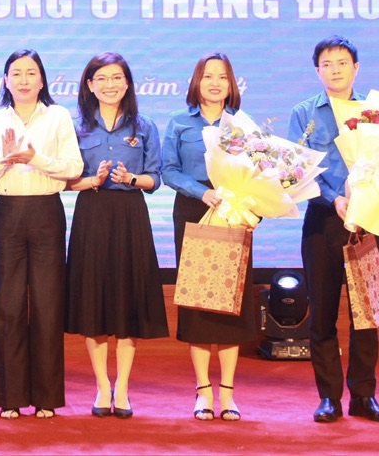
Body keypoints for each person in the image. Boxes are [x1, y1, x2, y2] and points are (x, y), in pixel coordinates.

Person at [287, 35, 379, 424]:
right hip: (322, 221)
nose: (335, 70)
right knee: (322, 313)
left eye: (342, 63)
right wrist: (334, 198)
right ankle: (329, 397)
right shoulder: (304, 113)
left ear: (356, 68)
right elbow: (297, 170)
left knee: (366, 313)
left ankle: (364, 395)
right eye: (327, 64)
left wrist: (376, 195)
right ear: (317, 71)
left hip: (367, 222)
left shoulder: (376, 114)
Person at [0, 49, 83, 420]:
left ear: (42, 79)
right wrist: (6, 159)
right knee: (7, 305)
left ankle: (46, 397)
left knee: (47, 304)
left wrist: (34, 158)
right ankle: (10, 397)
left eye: (31, 73)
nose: (23, 80)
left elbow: (74, 167)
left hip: (46, 213)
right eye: (16, 73)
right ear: (5, 80)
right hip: (6, 213)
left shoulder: (58, 116)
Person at [65, 52, 168, 419]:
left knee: (127, 299)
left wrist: (131, 179)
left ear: (127, 83)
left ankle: (122, 387)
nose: (110, 85)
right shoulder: (76, 127)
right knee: (93, 300)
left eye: (116, 78)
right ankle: (101, 386)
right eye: (102, 79)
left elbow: (156, 177)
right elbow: (66, 181)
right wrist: (91, 180)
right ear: (90, 85)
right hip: (91, 214)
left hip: (130, 215)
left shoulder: (144, 126)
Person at [162, 52, 251, 422]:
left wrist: (251, 204)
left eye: (222, 77)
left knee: (230, 305)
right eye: (208, 76)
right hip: (193, 210)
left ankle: (227, 393)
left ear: (232, 84)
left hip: (232, 211)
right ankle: (202, 391)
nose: (215, 83)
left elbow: (259, 173)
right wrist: (202, 193)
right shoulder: (179, 122)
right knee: (198, 306)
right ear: (196, 82)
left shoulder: (242, 125)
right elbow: (168, 170)